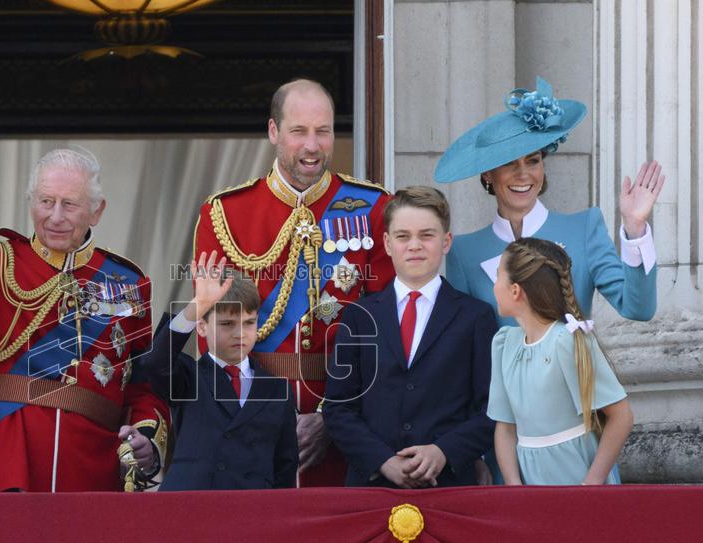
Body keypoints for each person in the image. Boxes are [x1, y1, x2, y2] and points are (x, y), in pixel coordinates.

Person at [0, 148, 168, 492]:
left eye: (69, 204)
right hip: (8, 459)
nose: (55, 216)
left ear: (96, 211)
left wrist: (145, 437)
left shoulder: (126, 283)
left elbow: (142, 385)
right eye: (45, 201)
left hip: (90, 468)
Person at [193, 78, 395, 486]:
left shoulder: (374, 208)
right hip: (251, 425)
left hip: (347, 425)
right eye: (299, 131)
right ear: (273, 132)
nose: (313, 145)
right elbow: (212, 336)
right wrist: (261, 414)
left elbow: (385, 331)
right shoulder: (226, 214)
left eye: (323, 131)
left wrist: (329, 417)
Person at [436, 76, 665, 328]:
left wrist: (635, 230)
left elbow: (638, 309)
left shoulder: (584, 228)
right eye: (509, 163)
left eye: (532, 161)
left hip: (573, 367)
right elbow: (463, 338)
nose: (523, 174)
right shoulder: (464, 251)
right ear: (488, 174)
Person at [323, 187, 496, 488]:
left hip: (449, 485)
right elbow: (339, 407)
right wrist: (382, 461)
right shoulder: (358, 316)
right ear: (388, 244)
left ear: (446, 242)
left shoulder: (476, 317)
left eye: (426, 235)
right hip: (372, 487)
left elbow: (491, 408)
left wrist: (445, 451)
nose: (414, 245)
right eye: (403, 236)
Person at [144, 252, 298, 491]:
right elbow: (155, 363)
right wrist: (198, 306)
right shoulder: (188, 376)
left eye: (249, 322)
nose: (240, 333)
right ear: (202, 327)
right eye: (227, 324)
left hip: (252, 515)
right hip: (190, 509)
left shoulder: (278, 389)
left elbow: (284, 468)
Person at [488, 237, 632, 485]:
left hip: (575, 474)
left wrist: (591, 485)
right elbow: (505, 426)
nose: (494, 285)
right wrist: (513, 486)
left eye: (498, 275)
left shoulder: (566, 341)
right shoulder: (503, 344)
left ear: (515, 290)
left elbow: (621, 416)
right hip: (529, 481)